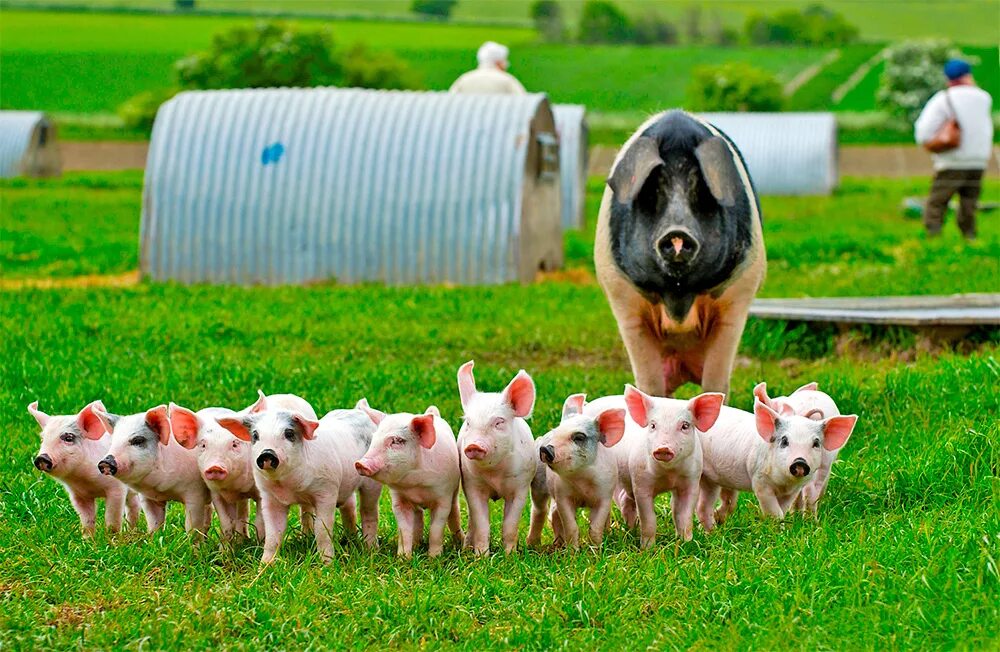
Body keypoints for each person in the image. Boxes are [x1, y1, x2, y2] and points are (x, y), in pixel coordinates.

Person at [914, 59, 994, 240]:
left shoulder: (944, 99)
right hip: (978, 160)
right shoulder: (984, 98)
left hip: (952, 160)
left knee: (937, 201)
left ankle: (933, 236)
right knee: (969, 203)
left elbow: (923, 131)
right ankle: (969, 237)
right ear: (968, 75)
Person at [449, 41, 526, 95]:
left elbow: (451, 100)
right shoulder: (507, 80)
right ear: (498, 62)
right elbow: (522, 102)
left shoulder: (463, 80)